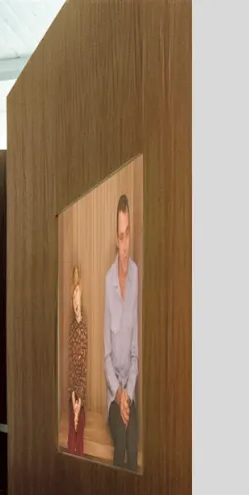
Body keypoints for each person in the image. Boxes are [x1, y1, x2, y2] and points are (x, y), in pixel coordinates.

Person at [103, 194, 139, 470]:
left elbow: (136, 353)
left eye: (128, 234)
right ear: (116, 239)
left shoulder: (138, 276)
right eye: (120, 236)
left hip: (131, 389)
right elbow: (105, 357)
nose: (124, 243)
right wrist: (118, 394)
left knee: (132, 446)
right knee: (120, 447)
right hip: (113, 394)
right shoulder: (108, 281)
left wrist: (129, 394)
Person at [67, 265, 88, 456]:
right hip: (73, 392)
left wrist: (79, 400)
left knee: (78, 423)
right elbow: (72, 367)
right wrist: (73, 398)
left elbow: (82, 367)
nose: (76, 303)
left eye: (78, 297)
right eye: (73, 298)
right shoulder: (72, 328)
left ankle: (78, 458)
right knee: (70, 426)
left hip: (82, 393)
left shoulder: (82, 329)